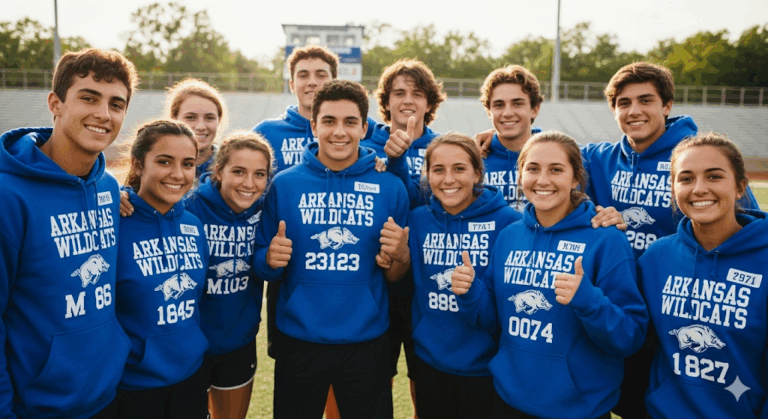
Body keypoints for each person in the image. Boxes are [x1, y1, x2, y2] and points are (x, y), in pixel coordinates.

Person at [582, 62, 760, 418]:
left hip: (689, 308)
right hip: (628, 311)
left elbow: (743, 229)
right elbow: (547, 156)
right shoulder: (600, 159)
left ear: (667, 105)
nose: (634, 111)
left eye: (646, 100)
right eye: (624, 103)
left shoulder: (698, 158)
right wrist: (494, 140)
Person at [453, 131, 648, 419]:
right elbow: (492, 321)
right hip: (509, 400)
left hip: (578, 409)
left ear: (575, 178)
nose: (542, 180)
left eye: (556, 170)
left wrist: (589, 301)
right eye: (533, 169)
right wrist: (470, 293)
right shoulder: (509, 236)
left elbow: (629, 337)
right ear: (521, 175)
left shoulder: (606, 239)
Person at [252, 79, 410, 418]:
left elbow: (395, 275)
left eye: (350, 122)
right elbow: (264, 266)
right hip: (299, 339)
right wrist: (269, 259)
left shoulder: (390, 186)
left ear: (364, 128)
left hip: (367, 340)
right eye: (329, 121)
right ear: (314, 126)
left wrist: (401, 257)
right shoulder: (285, 184)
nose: (339, 132)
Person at [0, 48, 137, 418]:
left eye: (116, 104)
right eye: (89, 98)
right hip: (39, 407)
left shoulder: (108, 188)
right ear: (55, 103)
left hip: (106, 394)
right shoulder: (8, 196)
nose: (103, 114)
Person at [639, 133, 768, 419]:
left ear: (740, 187)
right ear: (673, 189)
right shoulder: (656, 258)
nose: (699, 189)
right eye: (686, 179)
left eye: (714, 177)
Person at [407, 133, 521, 419]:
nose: (449, 179)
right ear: (427, 175)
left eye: (459, 168)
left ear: (477, 173)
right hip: (430, 362)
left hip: (485, 369)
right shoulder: (417, 220)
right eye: (438, 170)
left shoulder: (508, 222)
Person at [115, 119, 210, 418]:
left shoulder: (194, 225)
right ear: (138, 164)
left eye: (188, 164)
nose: (178, 174)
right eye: (164, 161)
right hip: (133, 385)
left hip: (191, 376)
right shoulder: (114, 222)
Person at [186, 132, 274, 419]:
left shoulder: (266, 210)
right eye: (238, 171)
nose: (249, 183)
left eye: (259, 174)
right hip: (189, 345)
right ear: (218, 171)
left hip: (238, 342)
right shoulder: (189, 205)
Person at [368, 58, 446, 208]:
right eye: (399, 94)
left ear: (429, 104)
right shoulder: (366, 149)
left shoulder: (444, 149)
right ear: (386, 102)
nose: (408, 101)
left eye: (417, 94)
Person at [478, 65, 543, 209]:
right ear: (489, 112)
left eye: (517, 104)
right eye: (499, 105)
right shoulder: (474, 156)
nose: (507, 113)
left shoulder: (557, 154)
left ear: (534, 109)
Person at [166, 78, 228, 178]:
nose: (201, 127)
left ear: (219, 120)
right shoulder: (155, 164)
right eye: (190, 117)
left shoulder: (231, 166)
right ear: (174, 119)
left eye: (209, 118)